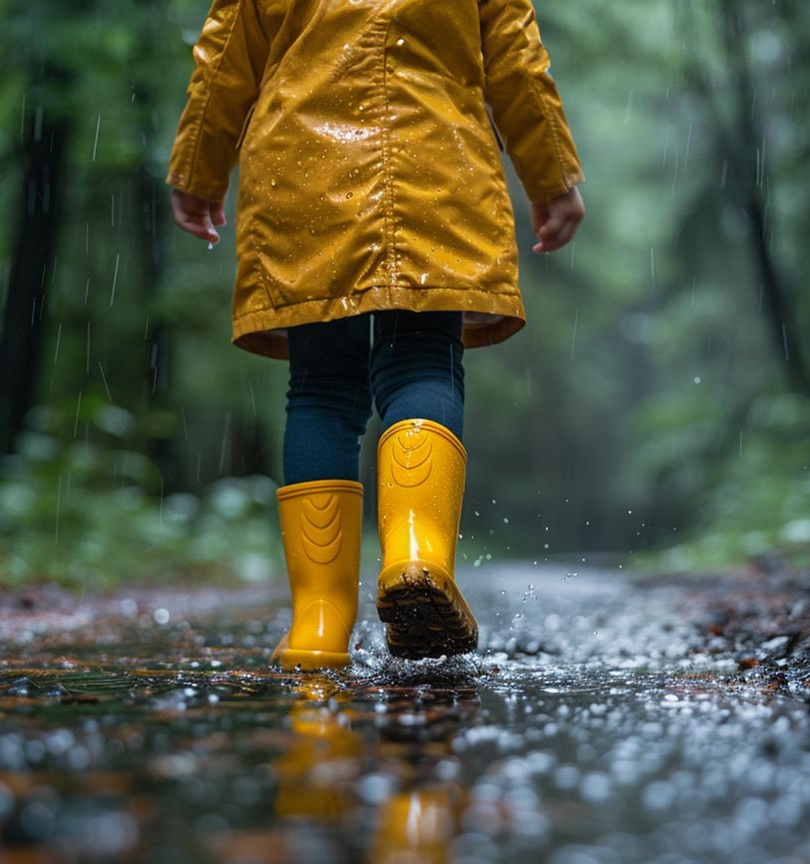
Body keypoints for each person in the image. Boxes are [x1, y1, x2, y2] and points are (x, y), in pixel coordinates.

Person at [165, 0, 584, 669]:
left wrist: (197, 168)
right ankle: (417, 556)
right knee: (421, 358)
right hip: (436, 165)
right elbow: (515, 56)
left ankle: (319, 624)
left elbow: (226, 57)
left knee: (321, 387)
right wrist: (552, 174)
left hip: (300, 171)